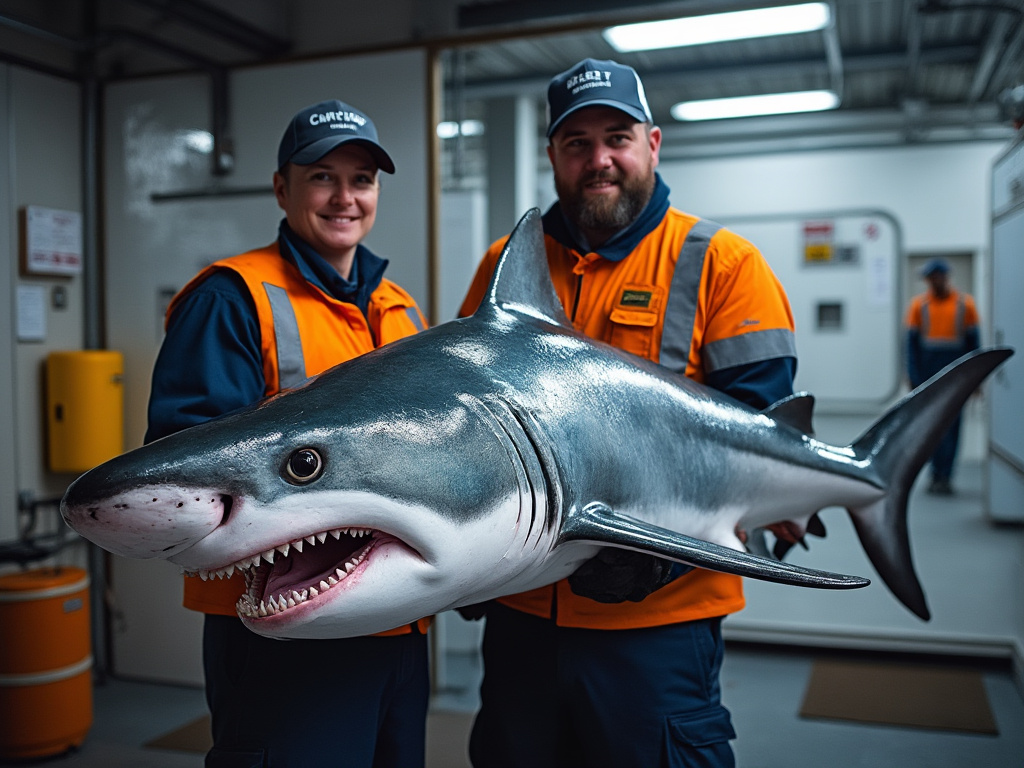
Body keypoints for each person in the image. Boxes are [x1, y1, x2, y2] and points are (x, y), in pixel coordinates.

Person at [458, 59, 797, 768]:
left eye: (616, 137)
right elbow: (472, 429)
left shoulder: (722, 265)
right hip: (523, 620)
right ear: (552, 154)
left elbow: (760, 446)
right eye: (576, 142)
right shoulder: (506, 268)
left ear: (653, 143)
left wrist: (661, 563)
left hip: (658, 627)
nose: (598, 160)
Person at [146, 100, 431, 768]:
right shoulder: (233, 296)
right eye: (322, 176)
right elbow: (189, 465)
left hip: (397, 624)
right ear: (283, 188)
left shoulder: (402, 311)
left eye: (361, 180)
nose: (344, 198)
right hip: (283, 627)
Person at [905, 258, 980, 495]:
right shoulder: (919, 306)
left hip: (956, 374)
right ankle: (935, 474)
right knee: (931, 426)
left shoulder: (965, 305)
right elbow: (910, 347)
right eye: (930, 278)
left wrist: (975, 380)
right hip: (929, 374)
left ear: (945, 277)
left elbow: (974, 345)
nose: (933, 282)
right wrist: (914, 379)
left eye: (937, 277)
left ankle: (946, 475)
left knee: (952, 425)